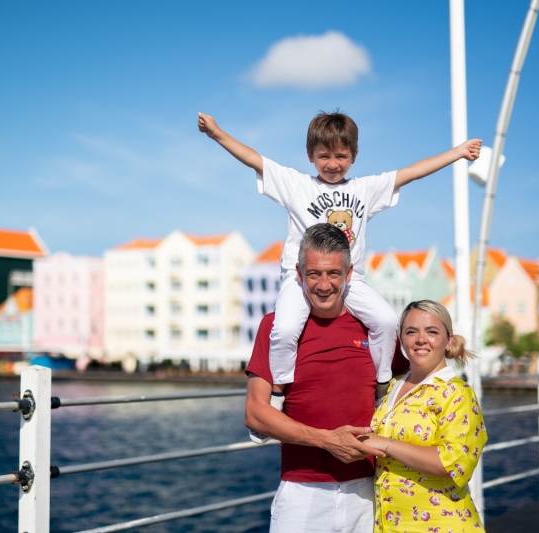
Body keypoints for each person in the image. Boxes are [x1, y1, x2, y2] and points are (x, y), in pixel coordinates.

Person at [199, 110, 481, 441]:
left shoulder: (365, 189)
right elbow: (255, 160)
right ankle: (278, 394)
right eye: (324, 156)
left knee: (387, 320)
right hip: (301, 280)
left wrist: (458, 153)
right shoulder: (297, 185)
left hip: (349, 281)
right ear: (311, 156)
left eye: (341, 156)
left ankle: (381, 388)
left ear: (354, 156)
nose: (332, 164)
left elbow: (411, 173)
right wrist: (218, 134)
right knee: (286, 326)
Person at [245, 223, 391, 532]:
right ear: (298, 274)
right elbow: (256, 414)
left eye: (333, 274)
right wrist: (328, 441)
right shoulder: (275, 327)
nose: (324, 285)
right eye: (314, 274)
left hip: (368, 492)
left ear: (349, 273)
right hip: (301, 494)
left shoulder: (372, 328)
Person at [358, 300, 487, 532]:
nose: (420, 339)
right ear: (401, 339)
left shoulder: (456, 392)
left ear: (448, 340)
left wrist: (386, 444)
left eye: (432, 332)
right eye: (411, 332)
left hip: (441, 524)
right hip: (389, 524)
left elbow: (453, 464)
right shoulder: (394, 385)